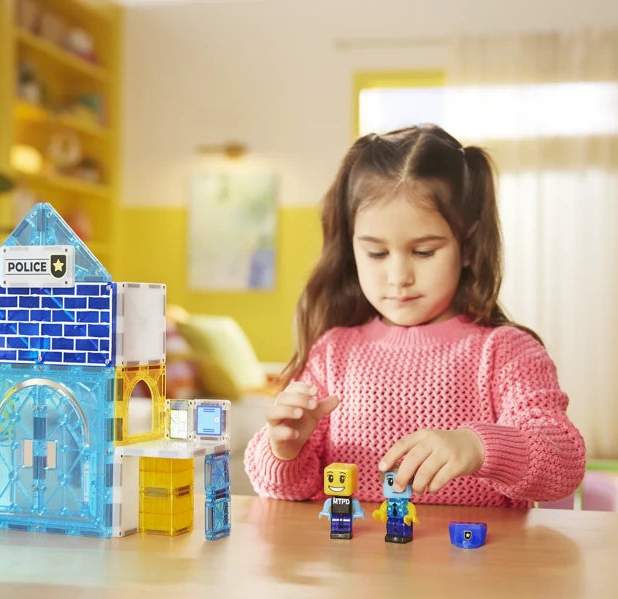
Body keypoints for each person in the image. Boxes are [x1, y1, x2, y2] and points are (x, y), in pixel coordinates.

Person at [244, 124, 585, 508]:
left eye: (424, 252)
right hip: (354, 566)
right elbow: (287, 489)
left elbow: (563, 462)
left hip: (477, 566)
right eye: (376, 253)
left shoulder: (506, 352)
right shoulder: (333, 353)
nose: (398, 277)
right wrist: (285, 448)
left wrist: (477, 446)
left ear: (468, 247)